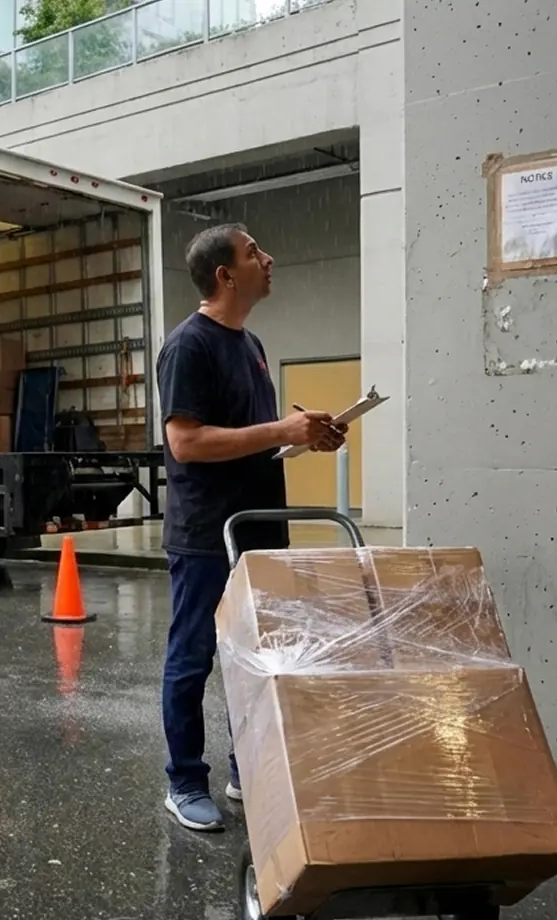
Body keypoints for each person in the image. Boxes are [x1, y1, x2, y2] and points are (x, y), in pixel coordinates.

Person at [156, 223, 346, 832]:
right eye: (254, 253)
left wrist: (304, 437)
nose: (269, 258)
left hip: (259, 528)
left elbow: (249, 437)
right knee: (193, 658)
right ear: (225, 275)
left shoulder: (253, 344)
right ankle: (185, 782)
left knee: (257, 656)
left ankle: (247, 767)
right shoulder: (188, 347)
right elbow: (185, 443)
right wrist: (279, 432)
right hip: (209, 533)